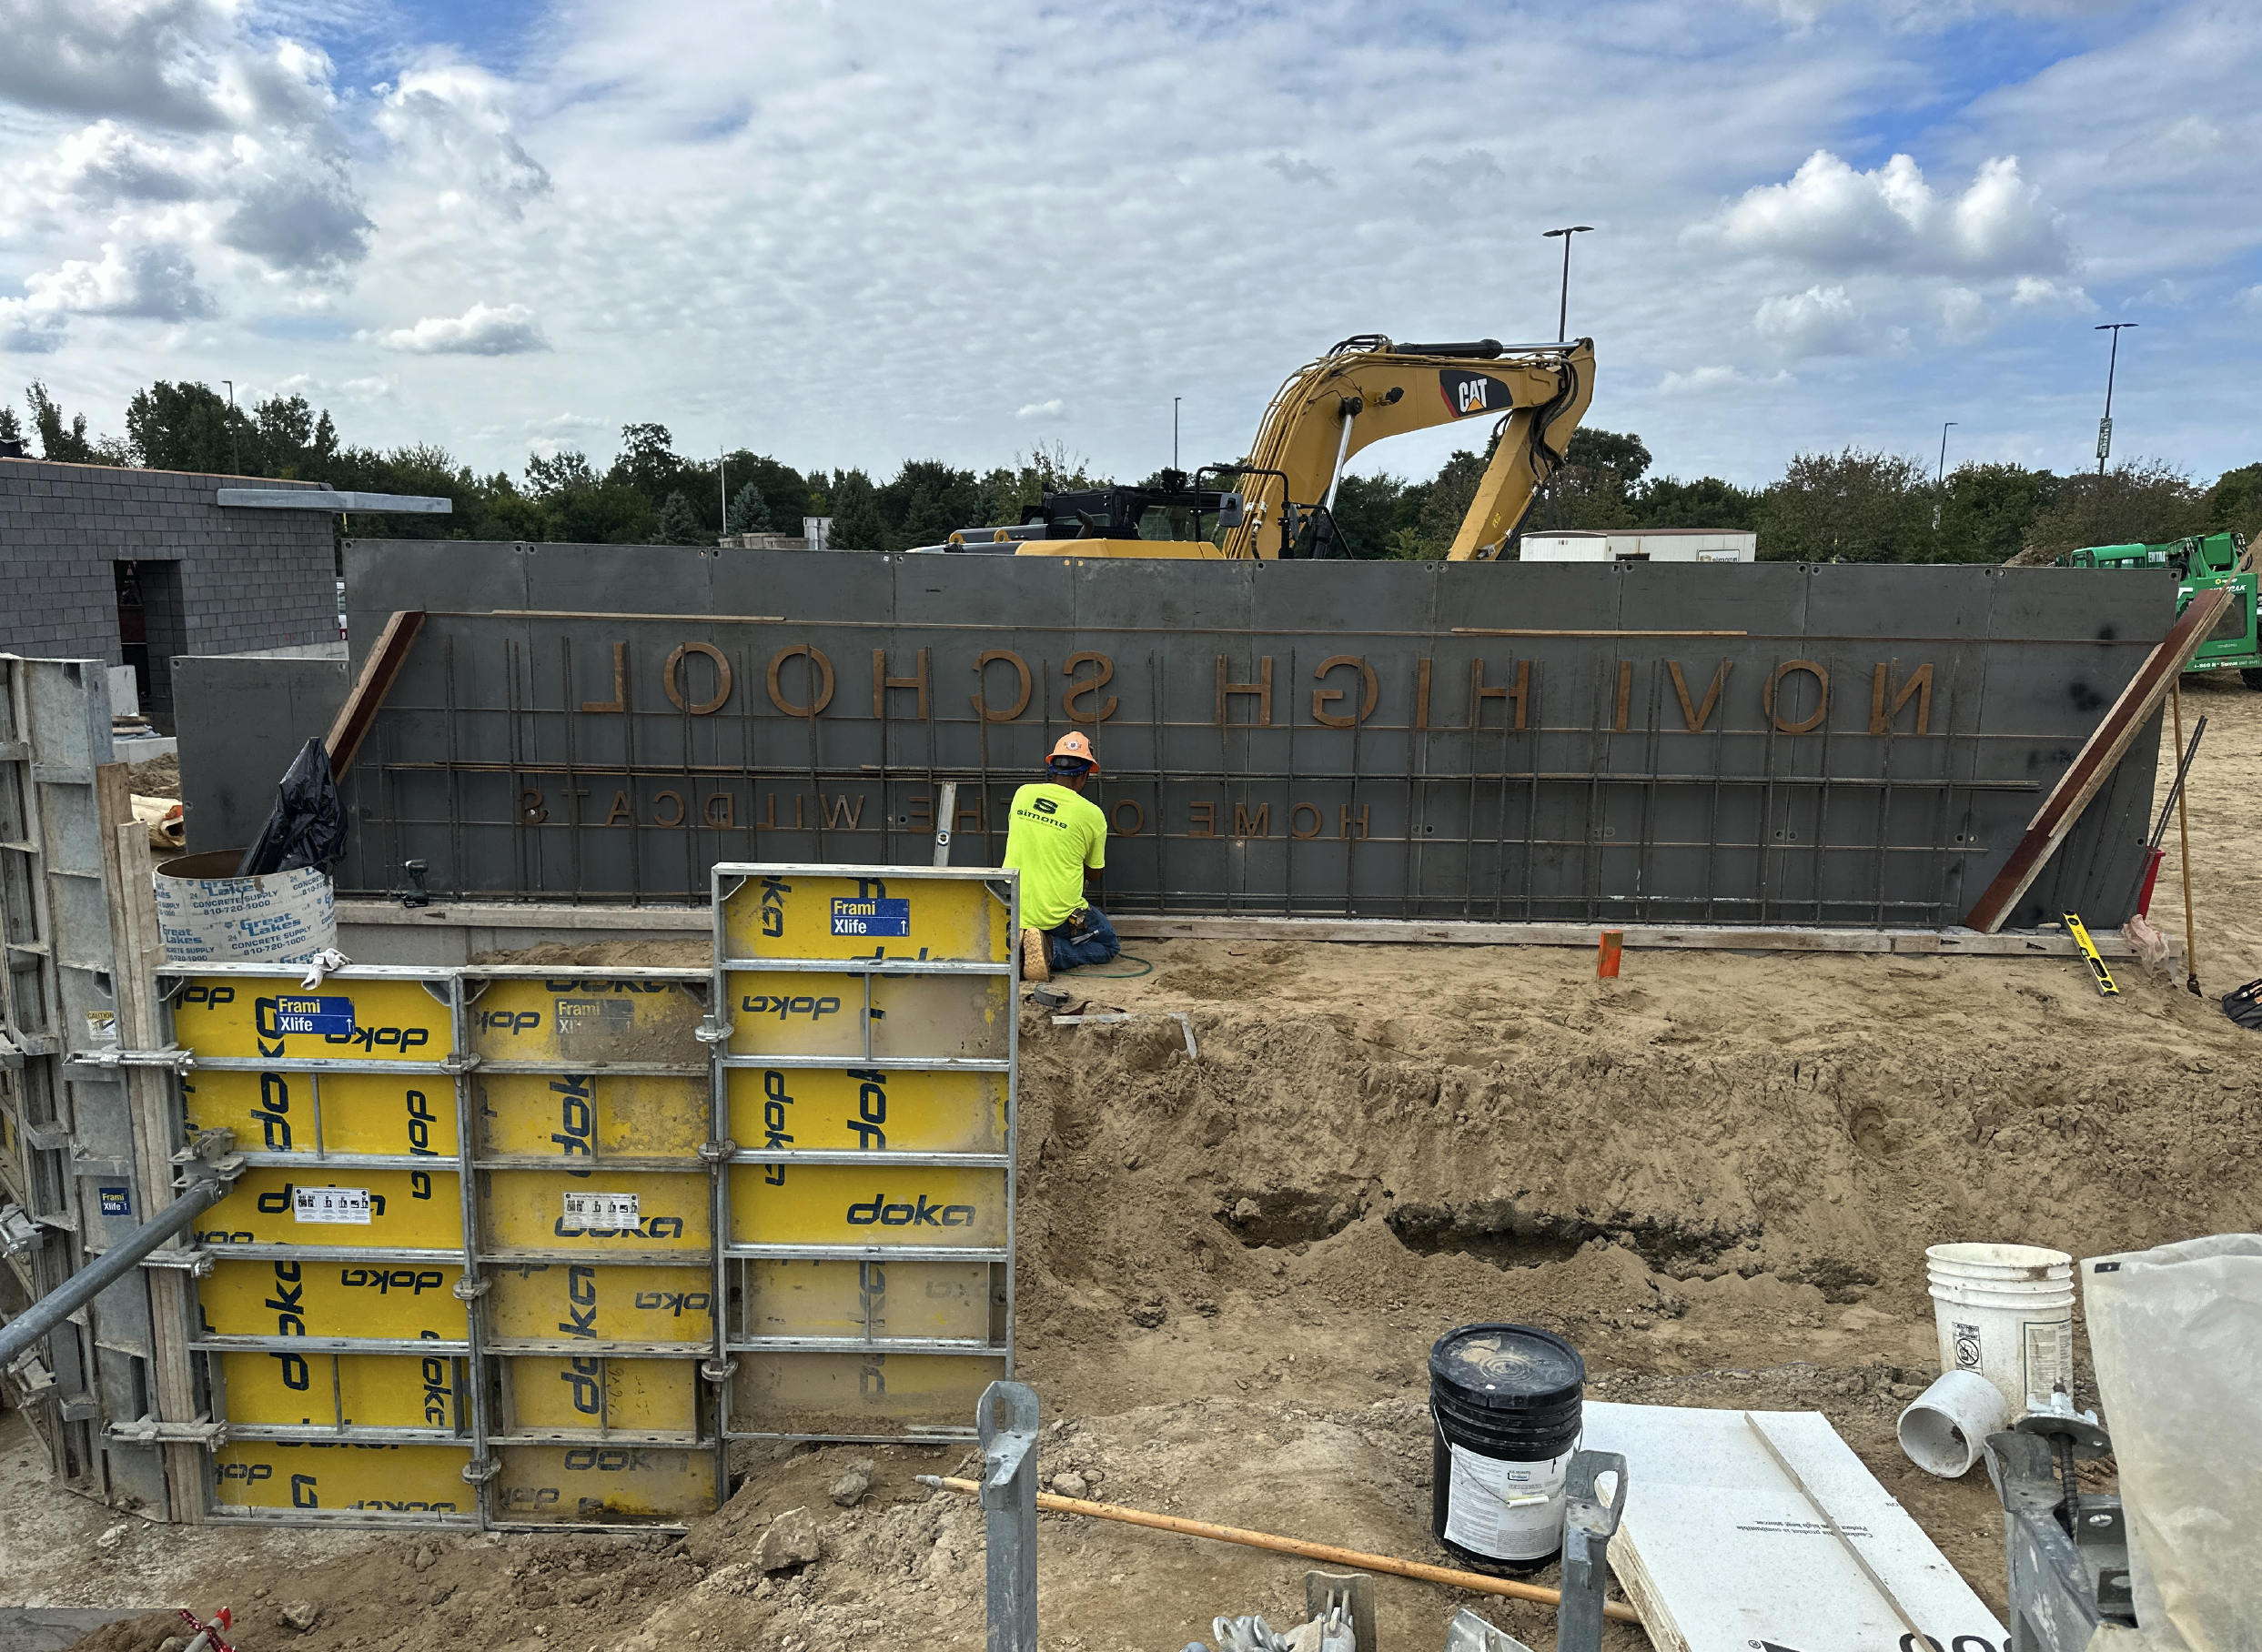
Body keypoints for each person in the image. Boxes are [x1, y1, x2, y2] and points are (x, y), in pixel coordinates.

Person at [1001, 730, 1118, 982]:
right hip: (1057, 917)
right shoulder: (1092, 815)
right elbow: (1094, 875)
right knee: (1109, 945)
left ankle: (1021, 940)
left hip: (1014, 907)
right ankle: (1050, 948)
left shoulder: (1022, 795)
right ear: (1086, 775)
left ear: (1052, 768)